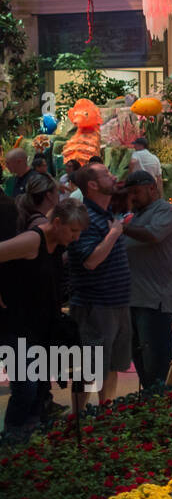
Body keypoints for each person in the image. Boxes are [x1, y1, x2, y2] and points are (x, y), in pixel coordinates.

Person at [0, 198, 88, 440]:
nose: (76, 238)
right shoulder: (32, 241)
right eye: (73, 231)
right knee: (25, 387)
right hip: (15, 325)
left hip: (41, 326)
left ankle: (29, 440)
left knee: (38, 389)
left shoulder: (57, 244)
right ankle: (11, 440)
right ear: (57, 223)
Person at [66, 163, 133, 409]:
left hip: (117, 302)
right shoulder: (84, 218)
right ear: (92, 185)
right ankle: (78, 419)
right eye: (106, 174)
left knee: (113, 364)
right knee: (91, 367)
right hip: (96, 306)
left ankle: (106, 414)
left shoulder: (106, 214)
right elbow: (91, 261)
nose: (113, 176)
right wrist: (115, 232)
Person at [121, 171, 172, 394]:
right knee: (141, 358)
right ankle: (152, 403)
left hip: (156, 299)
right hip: (133, 298)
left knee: (158, 359)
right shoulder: (132, 215)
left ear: (152, 189)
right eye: (130, 193)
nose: (132, 197)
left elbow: (154, 235)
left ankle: (166, 405)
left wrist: (121, 228)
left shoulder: (165, 210)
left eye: (136, 192)